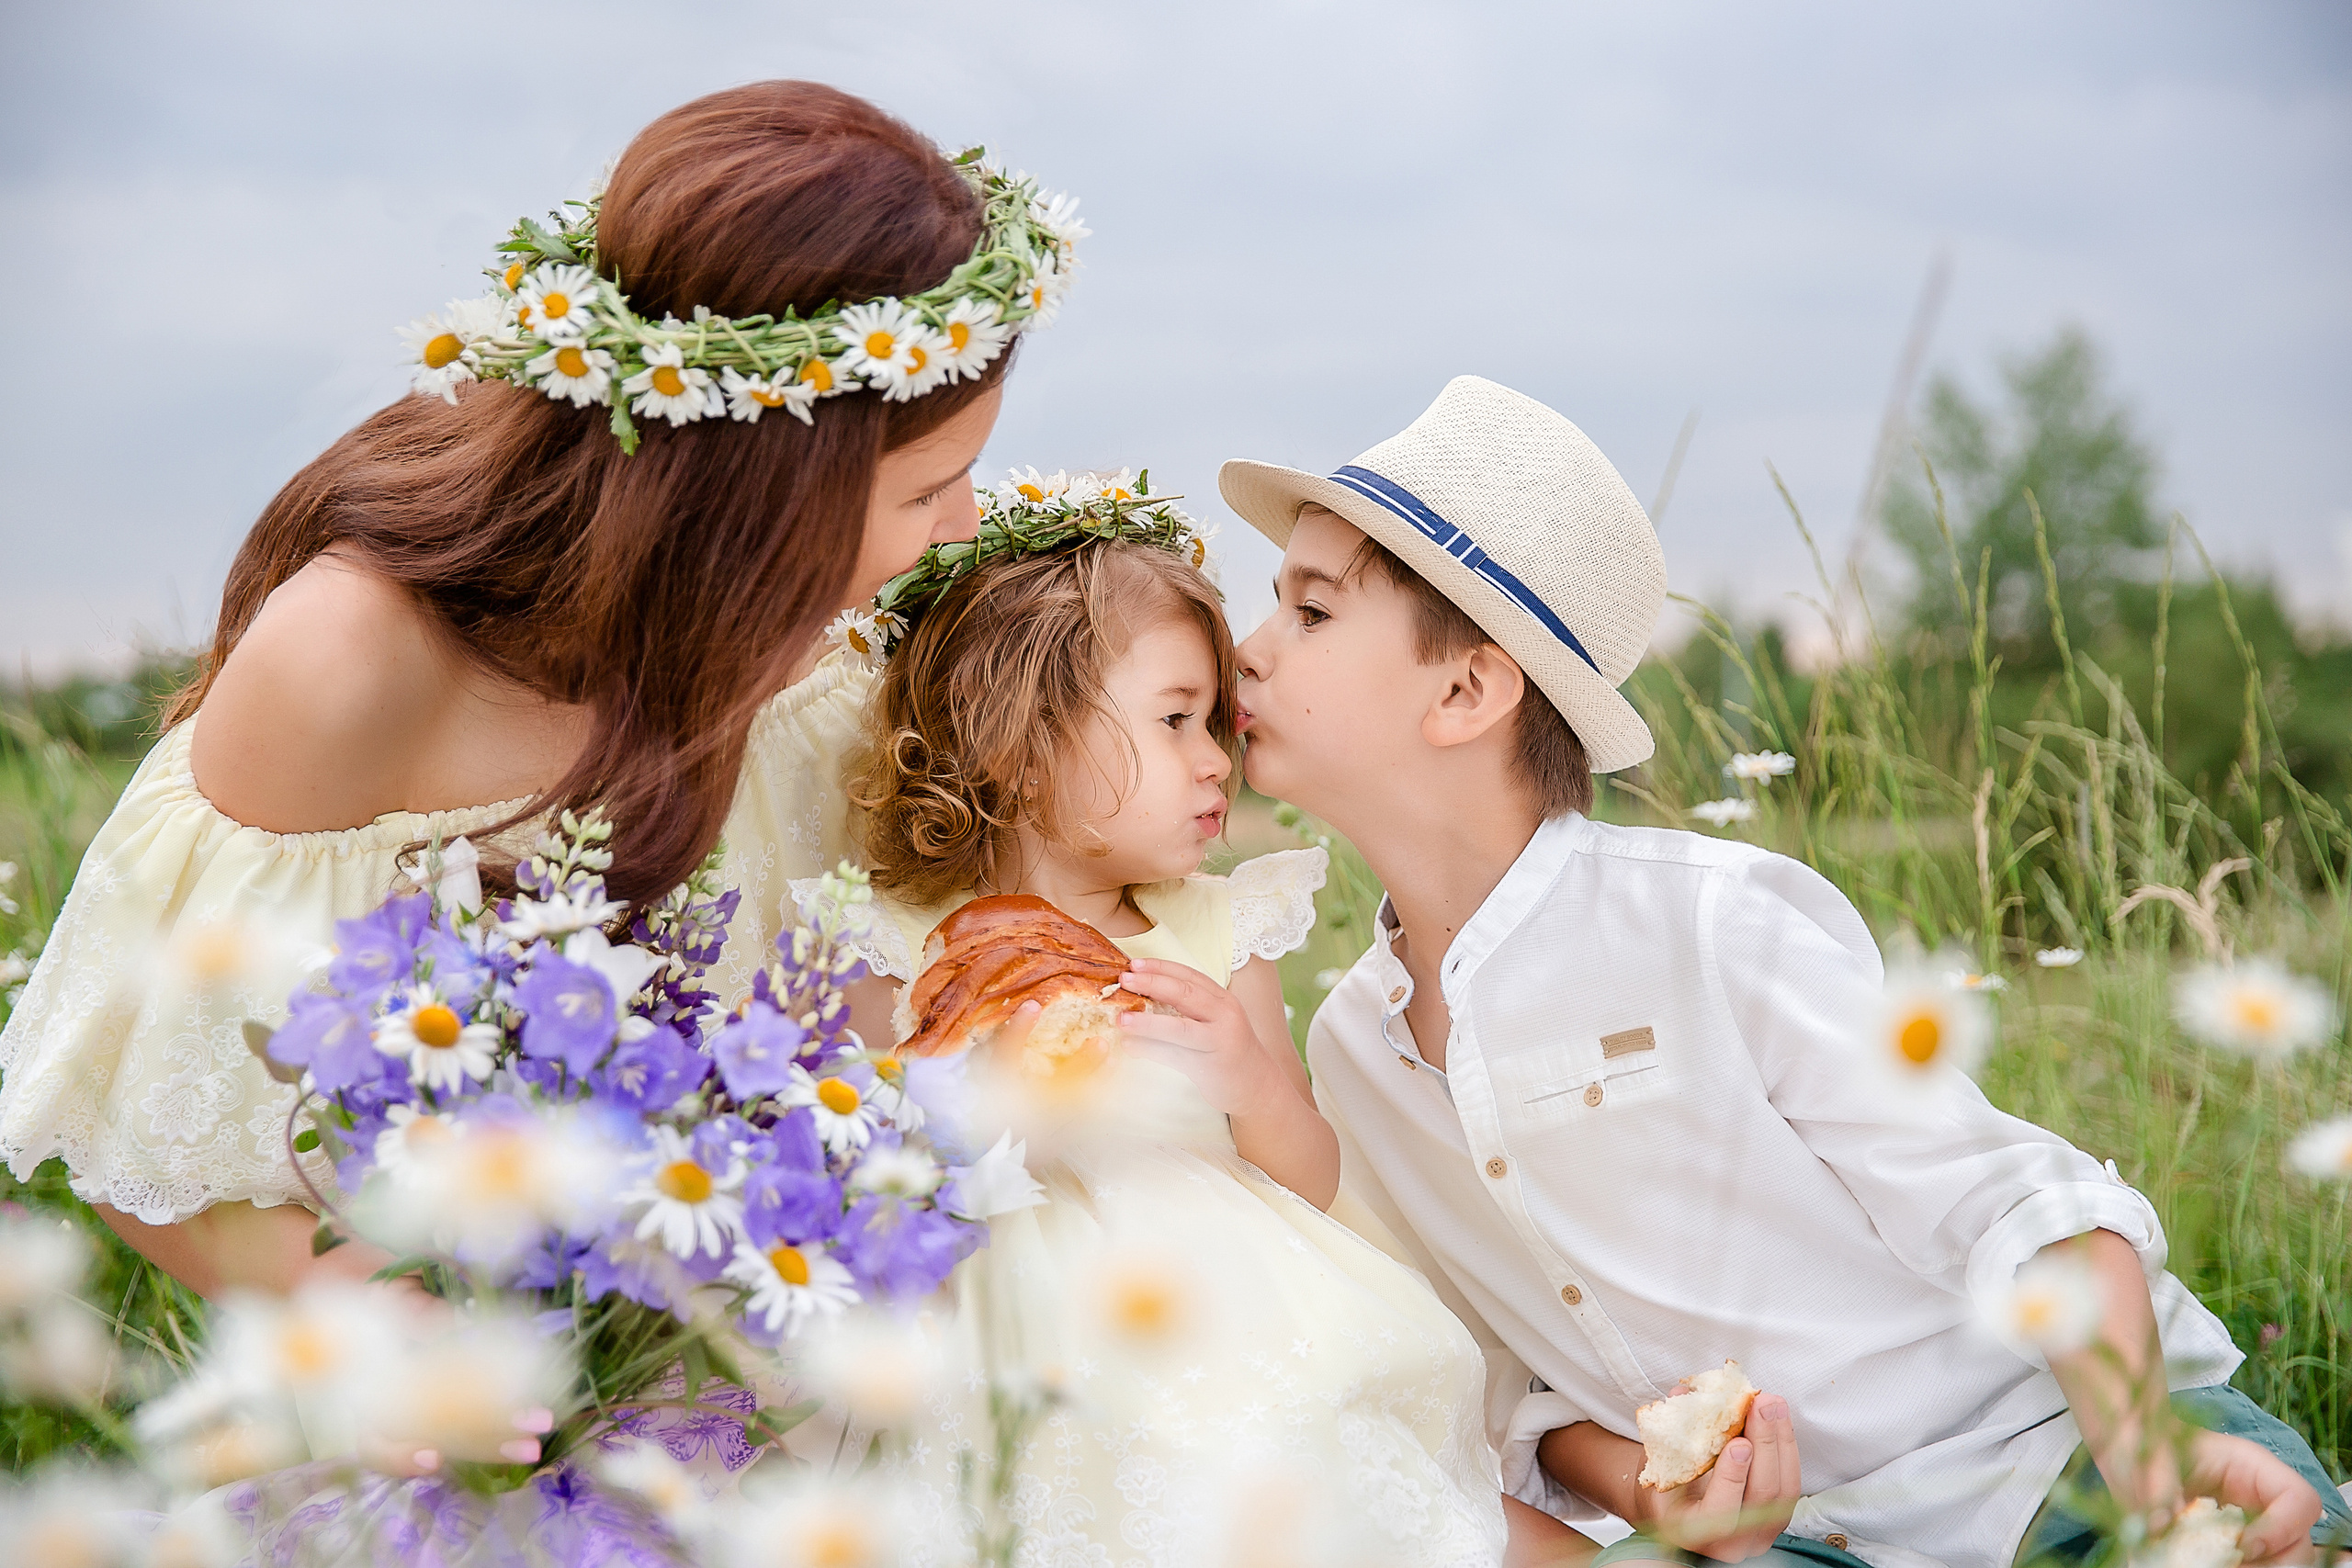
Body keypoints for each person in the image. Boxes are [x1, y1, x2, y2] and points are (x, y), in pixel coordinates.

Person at [1217, 376, 2345, 1567]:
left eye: (1312, 610)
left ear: (1466, 689)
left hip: (2057, 1456)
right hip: (1808, 1541)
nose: (1250, 646)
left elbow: (2028, 1208)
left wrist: (2151, 1467)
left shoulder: (1710, 922)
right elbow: (1511, 1394)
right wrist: (1661, 1497)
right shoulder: (1348, 1050)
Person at [0, 80, 1059, 1310]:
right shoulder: (350, 661)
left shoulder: (841, 626)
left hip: (813, 1314)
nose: (963, 525)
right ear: (756, 492)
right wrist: (403, 1336)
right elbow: (144, 1141)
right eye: (929, 489)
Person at [827, 502, 1538, 1565]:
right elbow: (857, 1175)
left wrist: (1249, 1079)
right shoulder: (901, 949)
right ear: (1014, 744)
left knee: (1300, 1445)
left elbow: (1307, 1171)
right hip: (1010, 1327)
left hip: (1234, 1305)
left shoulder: (1211, 931)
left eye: (1214, 724)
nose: (1216, 761)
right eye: (1173, 722)